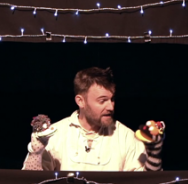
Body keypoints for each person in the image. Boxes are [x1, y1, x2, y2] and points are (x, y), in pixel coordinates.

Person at [22, 67, 163, 171]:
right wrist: (36, 153)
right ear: (81, 101)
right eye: (102, 101)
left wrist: (154, 152)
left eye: (112, 99)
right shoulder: (55, 135)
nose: (111, 107)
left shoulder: (126, 137)